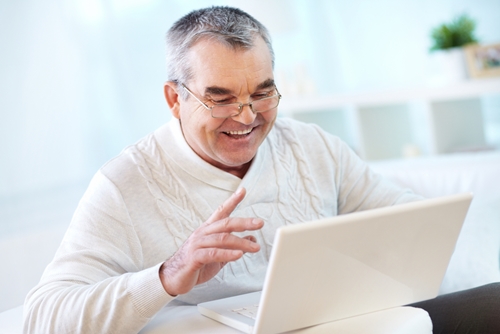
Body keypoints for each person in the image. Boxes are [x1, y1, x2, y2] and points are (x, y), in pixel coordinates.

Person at [24, 6, 499, 334]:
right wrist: (169, 274)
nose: (248, 117)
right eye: (221, 98)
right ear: (174, 99)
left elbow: (406, 215)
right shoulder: (125, 184)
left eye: (262, 93)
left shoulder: (310, 145)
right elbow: (43, 317)